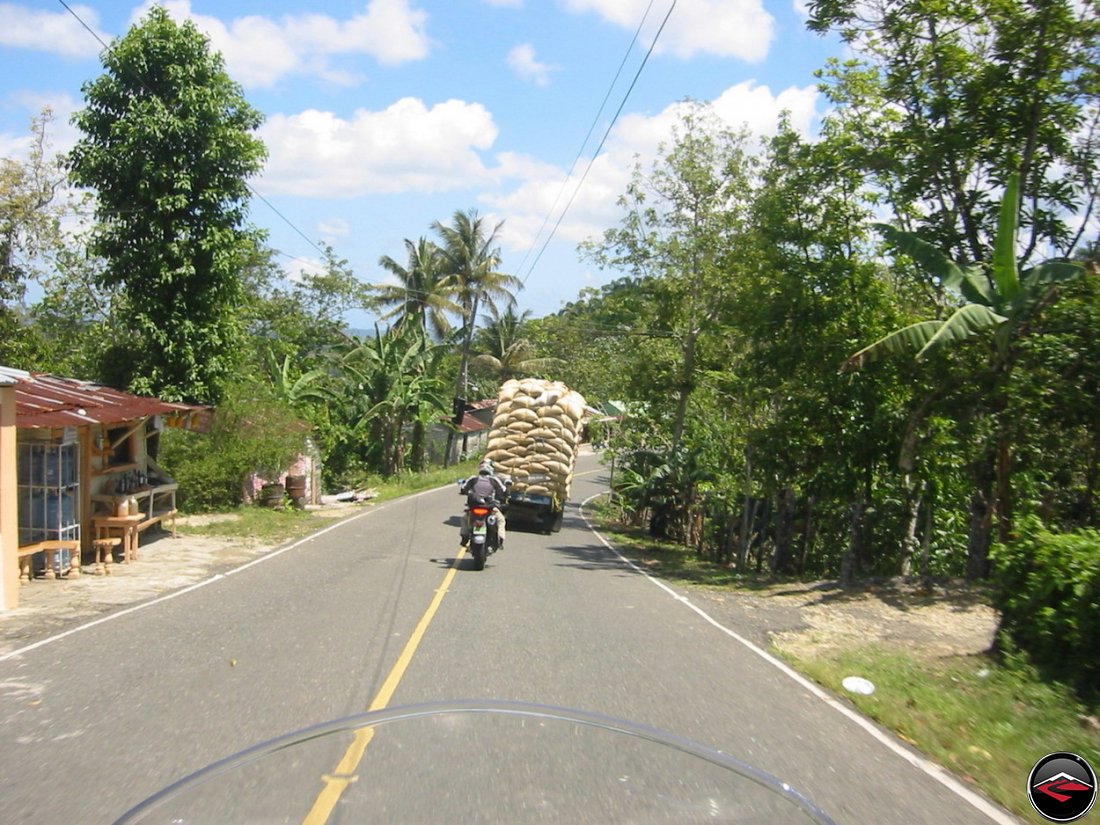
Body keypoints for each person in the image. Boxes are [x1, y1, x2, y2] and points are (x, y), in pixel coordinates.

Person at [460, 459, 508, 548]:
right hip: (489, 507)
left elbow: (463, 489)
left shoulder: (473, 478)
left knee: (464, 519)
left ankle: (465, 538)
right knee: (501, 520)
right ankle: (500, 540)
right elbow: (503, 491)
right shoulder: (494, 480)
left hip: (474, 507)